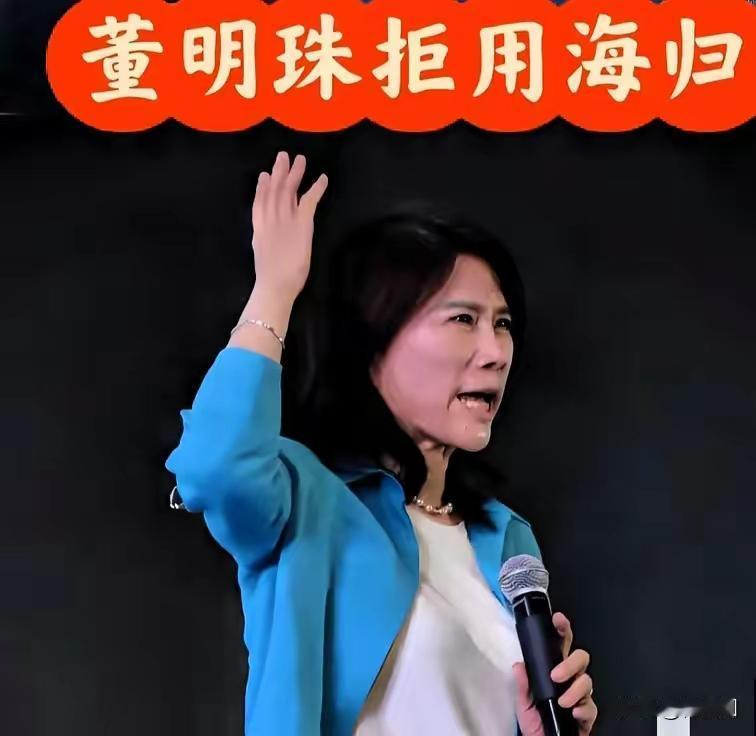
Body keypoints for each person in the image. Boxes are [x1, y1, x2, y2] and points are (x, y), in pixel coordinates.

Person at [165, 151, 598, 736]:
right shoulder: (308, 504)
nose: (496, 352)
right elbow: (215, 468)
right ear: (374, 349)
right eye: (463, 319)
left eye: (502, 324)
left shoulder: (507, 539)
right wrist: (274, 292)